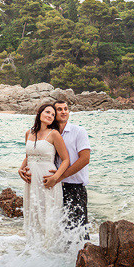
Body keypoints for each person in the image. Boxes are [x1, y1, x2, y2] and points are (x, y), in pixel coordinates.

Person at [18, 103, 70, 246]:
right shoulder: (28, 133)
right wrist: (20, 169)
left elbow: (66, 160)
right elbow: (29, 156)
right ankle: (34, 249)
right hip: (31, 181)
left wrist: (55, 177)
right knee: (33, 213)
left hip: (48, 180)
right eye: (47, 112)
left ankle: (51, 251)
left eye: (53, 115)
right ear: (39, 113)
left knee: (48, 216)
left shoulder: (54, 134)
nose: (50, 116)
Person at [47, 100, 91, 235]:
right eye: (59, 109)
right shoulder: (50, 133)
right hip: (55, 188)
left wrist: (60, 176)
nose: (64, 112)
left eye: (66, 109)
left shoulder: (78, 131)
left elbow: (85, 159)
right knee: (58, 230)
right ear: (54, 114)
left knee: (79, 231)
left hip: (75, 187)